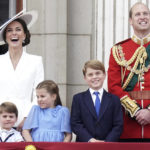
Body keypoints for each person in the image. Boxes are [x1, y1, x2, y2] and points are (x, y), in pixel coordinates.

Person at [108, 2, 150, 142]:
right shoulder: (118, 50)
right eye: (138, 14)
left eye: (146, 13)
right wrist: (136, 111)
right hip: (128, 126)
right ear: (131, 21)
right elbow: (114, 87)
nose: (142, 17)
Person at [0, 10, 44, 131]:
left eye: (18, 29)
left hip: (24, 123)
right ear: (5, 37)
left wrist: (27, 118)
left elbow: (39, 94)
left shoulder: (36, 61)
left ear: (24, 35)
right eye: (9, 30)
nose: (14, 33)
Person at [71, 60, 123, 142]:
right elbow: (75, 123)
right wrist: (90, 139)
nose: (94, 77)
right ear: (85, 78)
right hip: (84, 145)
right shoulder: (78, 99)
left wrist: (107, 142)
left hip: (108, 145)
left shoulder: (114, 99)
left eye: (98, 73)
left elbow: (118, 125)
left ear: (104, 75)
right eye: (90, 74)